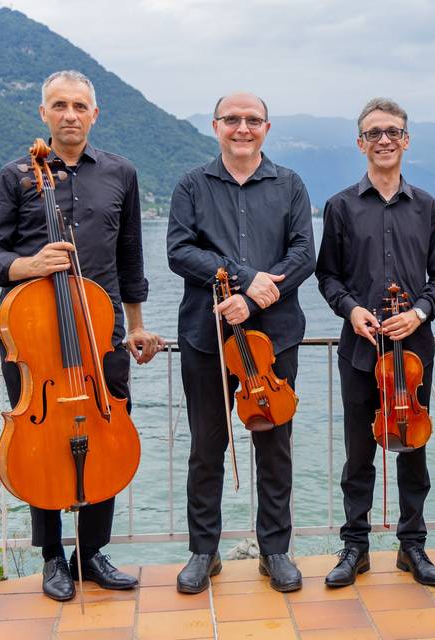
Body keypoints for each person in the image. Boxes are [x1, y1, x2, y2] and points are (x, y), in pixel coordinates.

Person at [0, 70, 162, 602]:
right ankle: (52, 557)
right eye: (59, 105)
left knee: (105, 433)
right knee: (41, 443)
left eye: (80, 106)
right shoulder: (16, 176)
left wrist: (138, 325)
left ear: (94, 114)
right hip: (35, 338)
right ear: (44, 114)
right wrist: (31, 264)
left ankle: (92, 551)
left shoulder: (121, 173)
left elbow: (131, 257)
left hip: (100, 331)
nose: (70, 115)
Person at [167, 92, 316, 594]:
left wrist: (250, 301)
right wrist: (244, 277)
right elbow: (179, 250)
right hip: (206, 336)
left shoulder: (290, 184)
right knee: (207, 445)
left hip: (274, 339)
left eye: (253, 120)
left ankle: (275, 550)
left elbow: (303, 255)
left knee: (274, 445)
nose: (242, 128)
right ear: (216, 126)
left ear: (267, 129)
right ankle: (202, 552)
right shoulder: (191, 184)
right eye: (232, 120)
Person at [316, 98, 435, 587]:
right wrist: (351, 310)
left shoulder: (429, 207)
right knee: (359, 454)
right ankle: (355, 547)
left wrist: (417, 312)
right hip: (360, 352)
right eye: (374, 133)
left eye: (392, 131)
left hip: (413, 353)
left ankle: (411, 547)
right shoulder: (339, 206)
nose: (384, 140)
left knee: (412, 449)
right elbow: (327, 277)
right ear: (361, 143)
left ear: (406, 140)